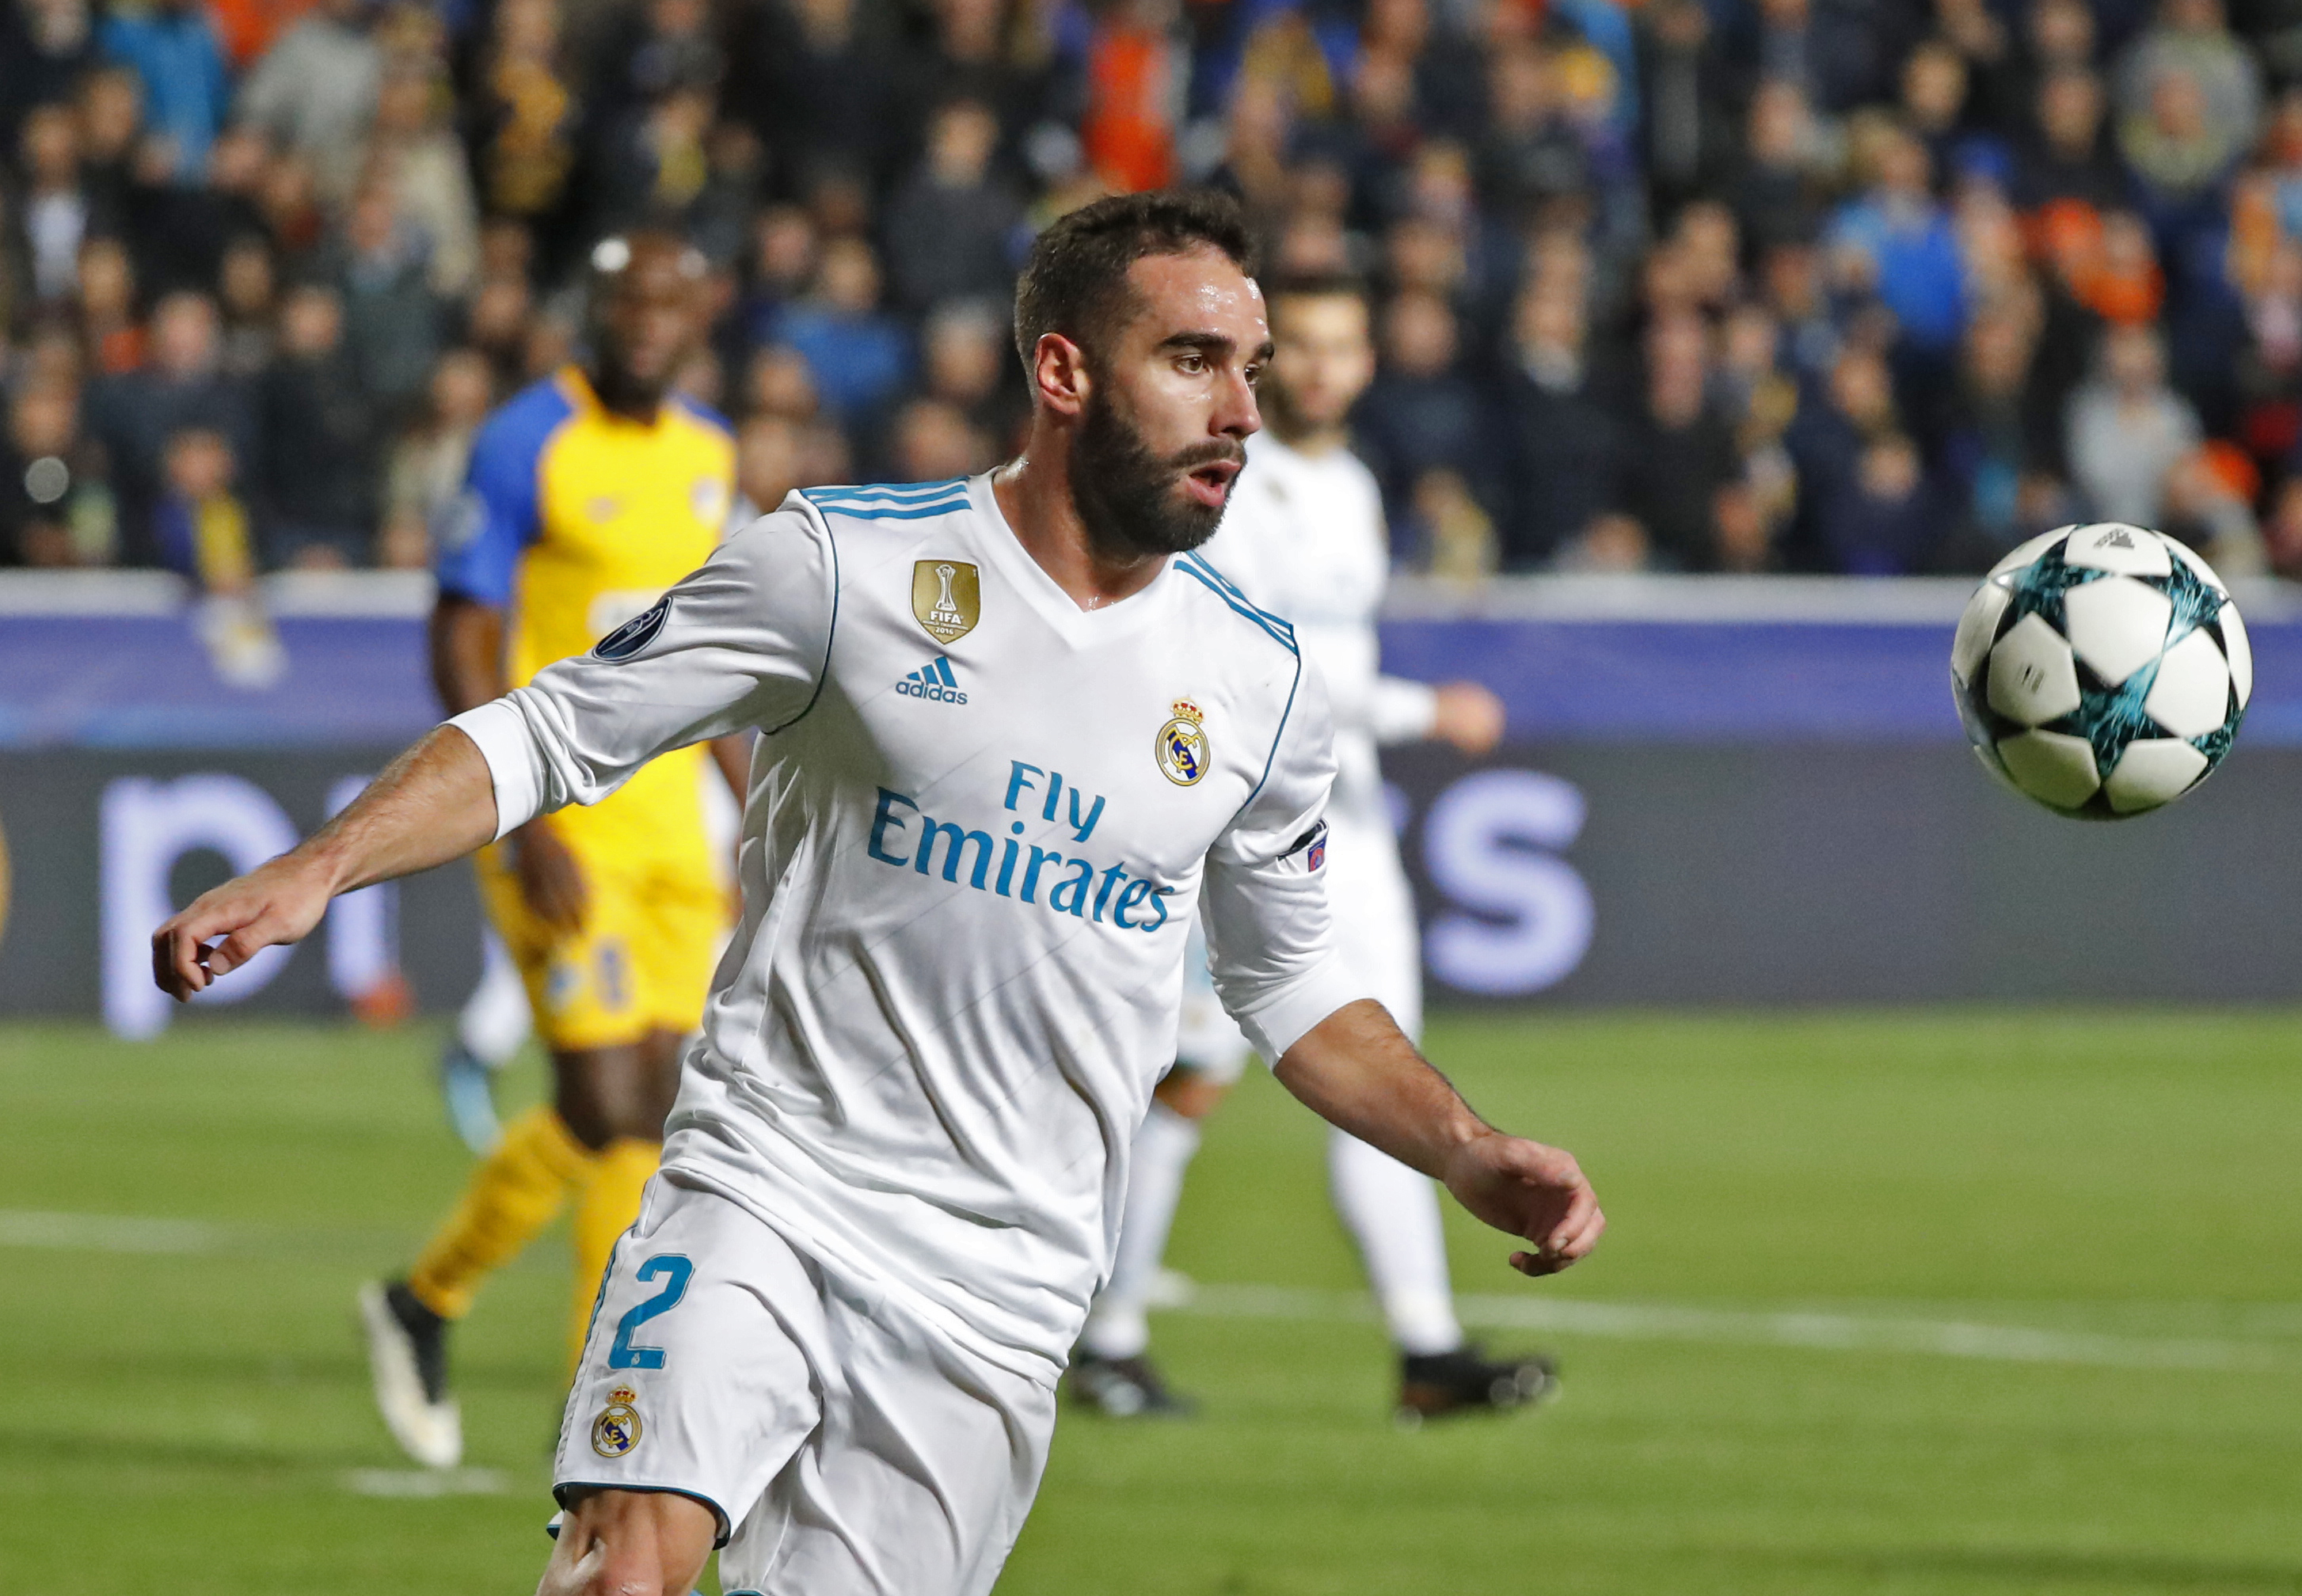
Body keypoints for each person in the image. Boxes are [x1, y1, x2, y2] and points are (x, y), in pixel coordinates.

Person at [153, 190, 1602, 1596]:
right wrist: (317, 867)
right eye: (1192, 362)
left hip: (1002, 1285)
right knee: (624, 1566)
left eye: (1253, 371)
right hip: (766, 1184)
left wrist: (1463, 1150)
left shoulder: (1263, 685)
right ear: (1062, 371)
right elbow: (553, 728)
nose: (1241, 412)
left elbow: (1291, 984)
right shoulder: (844, 567)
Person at [1068, 274, 1552, 1423]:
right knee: (1191, 1077)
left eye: (1348, 345)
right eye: (1308, 348)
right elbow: (1250, 665)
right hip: (1232, 816)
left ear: (1371, 360)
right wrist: (1421, 710)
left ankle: (1427, 1351)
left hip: (1358, 821)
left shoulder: (1356, 487)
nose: (1326, 368)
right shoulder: (1225, 479)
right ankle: (1108, 1335)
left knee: (1393, 1072)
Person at [354, 230, 748, 1471]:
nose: (644, 323)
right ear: (594, 310)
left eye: (667, 304)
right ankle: (596, 1405)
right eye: (624, 301)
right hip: (561, 822)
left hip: (679, 833)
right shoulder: (529, 438)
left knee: (659, 1115)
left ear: (698, 317)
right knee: (604, 1096)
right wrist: (517, 819)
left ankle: (427, 1303)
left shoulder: (708, 454)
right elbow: (462, 633)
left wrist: (762, 803)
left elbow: (724, 653)